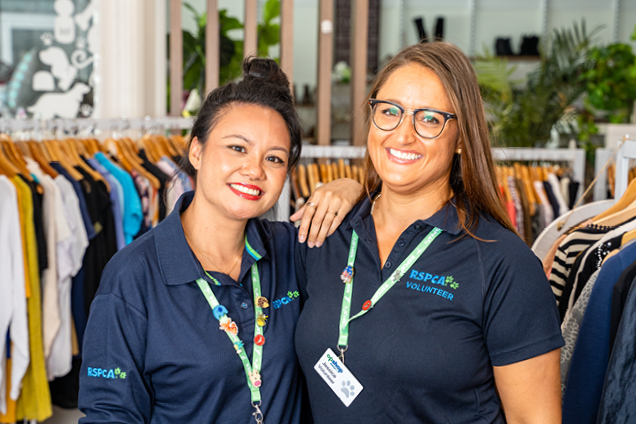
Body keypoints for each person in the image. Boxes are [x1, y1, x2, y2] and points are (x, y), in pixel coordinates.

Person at [78, 57, 361, 423]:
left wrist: (355, 188)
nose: (254, 170)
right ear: (196, 151)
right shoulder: (133, 276)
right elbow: (110, 413)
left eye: (274, 159)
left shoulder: (294, 248)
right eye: (237, 148)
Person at [294, 42, 564, 423]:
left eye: (430, 119)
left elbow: (533, 418)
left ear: (461, 138)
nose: (403, 135)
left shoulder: (505, 264)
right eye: (389, 111)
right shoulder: (323, 232)